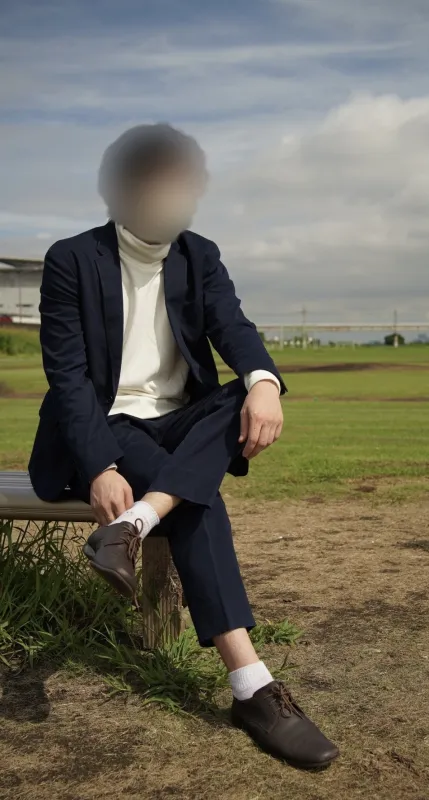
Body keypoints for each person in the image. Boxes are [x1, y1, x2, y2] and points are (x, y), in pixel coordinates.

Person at [29, 123, 339, 770]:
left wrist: (263, 383)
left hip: (178, 422)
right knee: (199, 500)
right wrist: (100, 466)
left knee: (240, 394)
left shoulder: (200, 255)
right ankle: (252, 687)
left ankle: (133, 525)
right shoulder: (71, 259)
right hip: (106, 426)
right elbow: (69, 381)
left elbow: (233, 325)